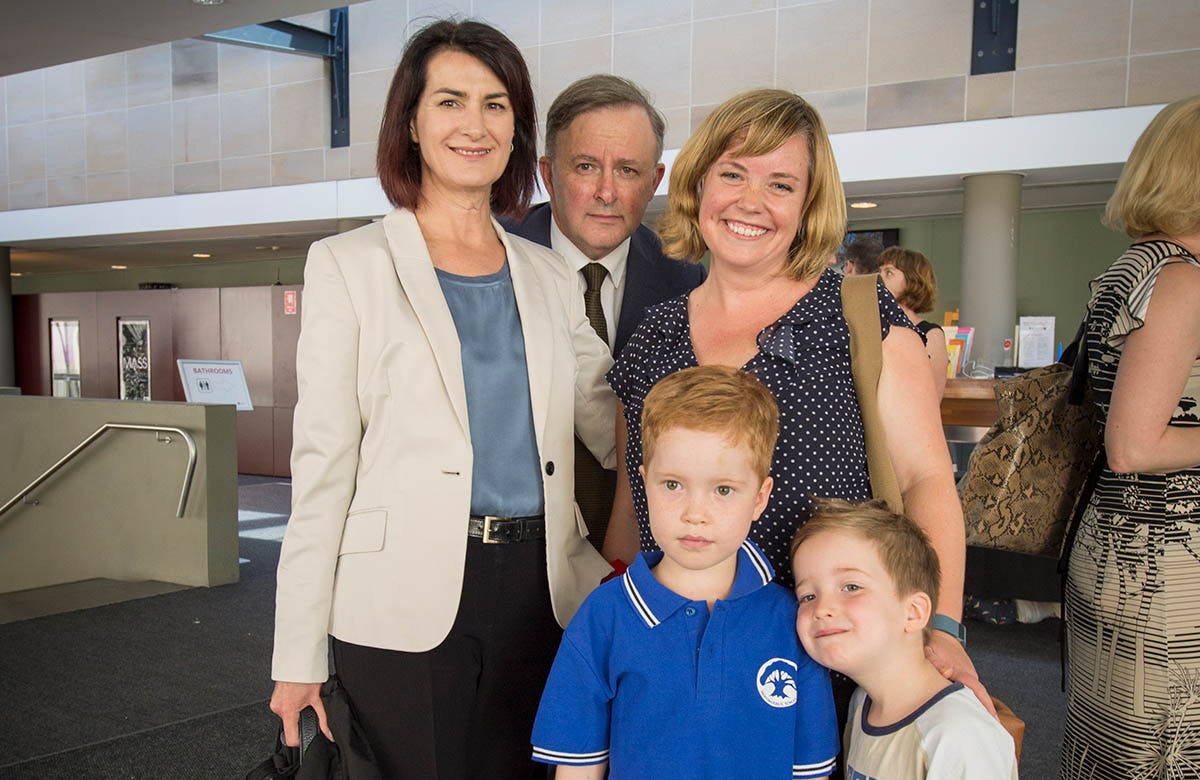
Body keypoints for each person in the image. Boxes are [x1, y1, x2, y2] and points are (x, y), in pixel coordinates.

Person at [268, 20, 615, 779]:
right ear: (411, 123)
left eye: (496, 105)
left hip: (541, 588)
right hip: (399, 597)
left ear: (516, 129)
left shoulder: (550, 275)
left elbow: (610, 422)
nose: (474, 125)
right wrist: (296, 654)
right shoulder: (348, 265)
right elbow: (323, 466)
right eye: (450, 101)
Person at [603, 88, 989, 720]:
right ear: (698, 185)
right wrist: (611, 629)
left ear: (808, 206)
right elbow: (632, 505)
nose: (751, 201)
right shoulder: (654, 336)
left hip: (830, 662)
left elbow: (926, 479)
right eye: (733, 174)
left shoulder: (858, 318)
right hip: (677, 664)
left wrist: (941, 627)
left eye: (780, 184)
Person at [531, 365, 838, 779]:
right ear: (644, 484)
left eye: (723, 490)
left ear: (760, 498)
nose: (695, 513)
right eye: (673, 485)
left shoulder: (793, 622)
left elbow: (811, 771)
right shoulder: (603, 618)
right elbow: (578, 769)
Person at [503, 74, 705, 549]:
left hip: (639, 555)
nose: (607, 192)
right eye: (586, 167)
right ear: (548, 174)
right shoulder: (491, 260)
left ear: (654, 181)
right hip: (508, 556)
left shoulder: (686, 283)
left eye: (628, 171)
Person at [1061, 95, 1200, 779]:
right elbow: (1135, 446)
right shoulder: (1180, 279)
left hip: (1123, 542)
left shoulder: (1137, 266)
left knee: (1120, 743)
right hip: (1161, 560)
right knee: (1157, 746)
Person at [793, 499, 1017, 779]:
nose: (821, 608)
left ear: (913, 612)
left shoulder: (959, 734)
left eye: (851, 587)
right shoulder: (862, 704)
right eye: (807, 596)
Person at [877, 246, 950, 400]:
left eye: (889, 272)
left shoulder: (932, 334)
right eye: (880, 271)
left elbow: (932, 398)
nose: (878, 277)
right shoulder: (875, 328)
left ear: (912, 280)